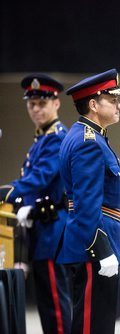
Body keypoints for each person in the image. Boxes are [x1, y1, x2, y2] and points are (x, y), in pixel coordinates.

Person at [0, 74, 72, 334]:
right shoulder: (41, 140)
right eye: (31, 105)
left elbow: (39, 178)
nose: (36, 109)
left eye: (42, 103)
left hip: (53, 230)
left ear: (56, 104)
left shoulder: (57, 138)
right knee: (45, 302)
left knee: (55, 300)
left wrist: (6, 192)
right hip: (40, 231)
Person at [57, 68, 120, 334]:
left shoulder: (86, 136)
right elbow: (86, 205)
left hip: (90, 244)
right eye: (112, 100)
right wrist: (102, 250)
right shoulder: (89, 142)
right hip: (93, 247)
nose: (119, 105)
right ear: (94, 104)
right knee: (91, 325)